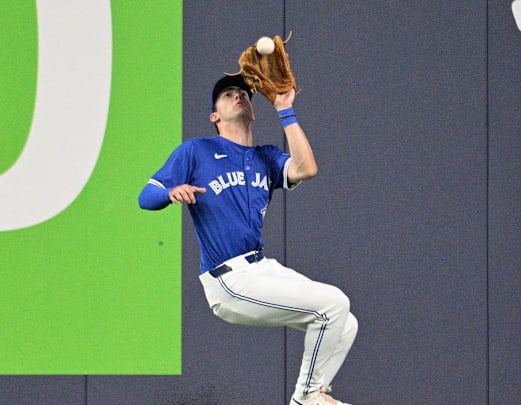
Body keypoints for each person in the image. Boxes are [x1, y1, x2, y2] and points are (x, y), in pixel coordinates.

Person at [138, 74, 358, 405]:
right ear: (215, 116)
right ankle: (307, 398)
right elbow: (146, 196)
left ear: (254, 112)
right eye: (227, 94)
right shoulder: (197, 150)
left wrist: (285, 110)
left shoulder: (265, 157)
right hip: (228, 279)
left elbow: (307, 168)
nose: (237, 96)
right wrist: (170, 192)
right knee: (334, 304)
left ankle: (312, 395)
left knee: (345, 324)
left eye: (242, 93)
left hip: (260, 267)